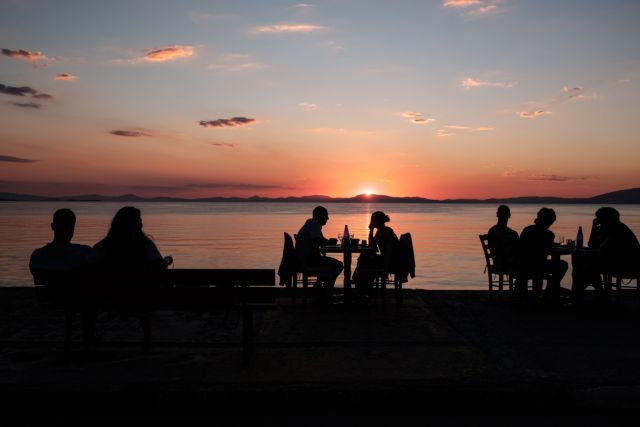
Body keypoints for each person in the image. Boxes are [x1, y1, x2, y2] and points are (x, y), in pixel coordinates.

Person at [90, 206, 172, 350]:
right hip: (141, 297)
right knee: (145, 295)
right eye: (139, 221)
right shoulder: (146, 245)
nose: (142, 224)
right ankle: (147, 340)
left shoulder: (104, 246)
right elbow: (158, 266)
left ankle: (89, 337)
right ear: (135, 225)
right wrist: (167, 261)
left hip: (111, 297)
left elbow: (89, 264)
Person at [29, 208, 95, 346]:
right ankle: (89, 338)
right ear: (73, 227)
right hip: (77, 299)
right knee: (89, 298)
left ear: (52, 226)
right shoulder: (84, 253)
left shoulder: (37, 255)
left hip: (48, 298)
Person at [573, 207, 640, 302]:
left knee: (586, 265)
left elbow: (603, 247)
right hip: (614, 261)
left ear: (607, 219)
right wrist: (593, 227)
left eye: (599, 219)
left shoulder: (618, 229)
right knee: (583, 264)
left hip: (627, 264)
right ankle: (592, 292)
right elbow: (592, 244)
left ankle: (594, 293)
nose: (598, 221)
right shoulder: (607, 228)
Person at [517, 207, 568, 302]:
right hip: (539, 265)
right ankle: (548, 292)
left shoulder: (527, 229)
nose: (552, 224)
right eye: (551, 221)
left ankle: (543, 293)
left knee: (545, 264)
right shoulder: (549, 234)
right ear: (549, 221)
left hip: (523, 265)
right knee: (562, 265)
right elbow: (546, 251)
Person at [296, 206, 343, 299]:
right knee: (338, 265)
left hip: (306, 259)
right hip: (309, 260)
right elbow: (318, 241)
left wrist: (328, 241)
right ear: (320, 216)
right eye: (326, 215)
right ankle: (325, 293)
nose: (328, 218)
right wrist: (328, 242)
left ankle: (318, 290)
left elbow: (320, 240)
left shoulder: (311, 223)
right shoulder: (314, 224)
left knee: (333, 266)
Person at [354, 211, 398, 301]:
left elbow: (371, 245)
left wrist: (371, 230)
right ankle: (363, 289)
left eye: (372, 220)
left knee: (363, 260)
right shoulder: (388, 229)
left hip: (386, 263)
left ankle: (361, 288)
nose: (371, 222)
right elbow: (373, 246)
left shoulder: (381, 231)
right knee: (363, 259)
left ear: (375, 221)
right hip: (392, 261)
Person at [487, 205, 519, 272]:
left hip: (497, 262)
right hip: (507, 263)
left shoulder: (492, 231)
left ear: (497, 215)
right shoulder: (513, 233)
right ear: (509, 215)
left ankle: (519, 281)